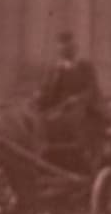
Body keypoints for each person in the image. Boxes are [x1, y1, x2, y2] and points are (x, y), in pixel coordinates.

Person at [36, 32, 102, 165]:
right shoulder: (54, 69)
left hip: (83, 107)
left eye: (68, 48)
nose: (65, 52)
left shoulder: (85, 66)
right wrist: (39, 96)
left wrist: (78, 98)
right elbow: (47, 91)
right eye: (62, 49)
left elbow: (92, 89)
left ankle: (81, 153)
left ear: (74, 49)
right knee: (41, 119)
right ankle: (44, 150)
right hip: (59, 107)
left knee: (73, 117)